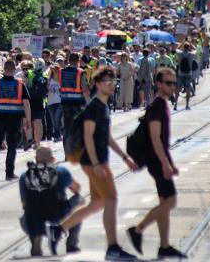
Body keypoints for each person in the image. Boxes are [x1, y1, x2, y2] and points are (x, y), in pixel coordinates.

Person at [59, 67, 139, 262]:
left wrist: (124, 157)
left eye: (112, 81)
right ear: (96, 84)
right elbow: (88, 136)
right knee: (111, 199)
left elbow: (107, 137)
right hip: (93, 162)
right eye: (106, 82)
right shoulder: (93, 107)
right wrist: (96, 164)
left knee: (97, 204)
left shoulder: (103, 107)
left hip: (98, 161)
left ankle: (58, 230)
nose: (111, 85)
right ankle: (112, 248)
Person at [126, 67, 186, 259]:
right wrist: (165, 164)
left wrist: (170, 162)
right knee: (170, 201)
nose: (173, 86)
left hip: (159, 159)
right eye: (168, 83)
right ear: (159, 84)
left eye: (174, 83)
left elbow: (162, 139)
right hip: (155, 160)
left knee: (164, 202)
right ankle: (138, 230)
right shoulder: (156, 107)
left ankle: (164, 245)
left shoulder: (163, 105)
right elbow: (155, 138)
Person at [20, 146, 81, 256]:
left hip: (32, 222)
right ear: (52, 158)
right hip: (58, 219)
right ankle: (71, 243)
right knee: (80, 200)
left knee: (27, 215)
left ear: (36, 158)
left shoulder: (25, 176)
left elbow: (24, 204)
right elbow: (77, 189)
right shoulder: (61, 171)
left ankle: (35, 238)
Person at [0, 58, 31, 181]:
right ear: (14, 69)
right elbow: (26, 104)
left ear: (4, 70)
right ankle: (9, 173)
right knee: (11, 146)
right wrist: (27, 119)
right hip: (15, 119)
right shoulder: (20, 85)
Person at [58, 54, 89, 148]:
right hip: (78, 105)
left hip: (65, 103)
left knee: (67, 128)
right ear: (78, 61)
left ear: (68, 60)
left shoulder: (61, 72)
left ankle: (67, 153)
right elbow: (85, 89)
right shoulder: (81, 72)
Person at [27, 60, 48, 144]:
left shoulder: (29, 73)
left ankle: (33, 140)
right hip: (37, 100)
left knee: (34, 122)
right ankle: (36, 141)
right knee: (37, 122)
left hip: (32, 100)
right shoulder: (45, 75)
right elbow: (47, 88)